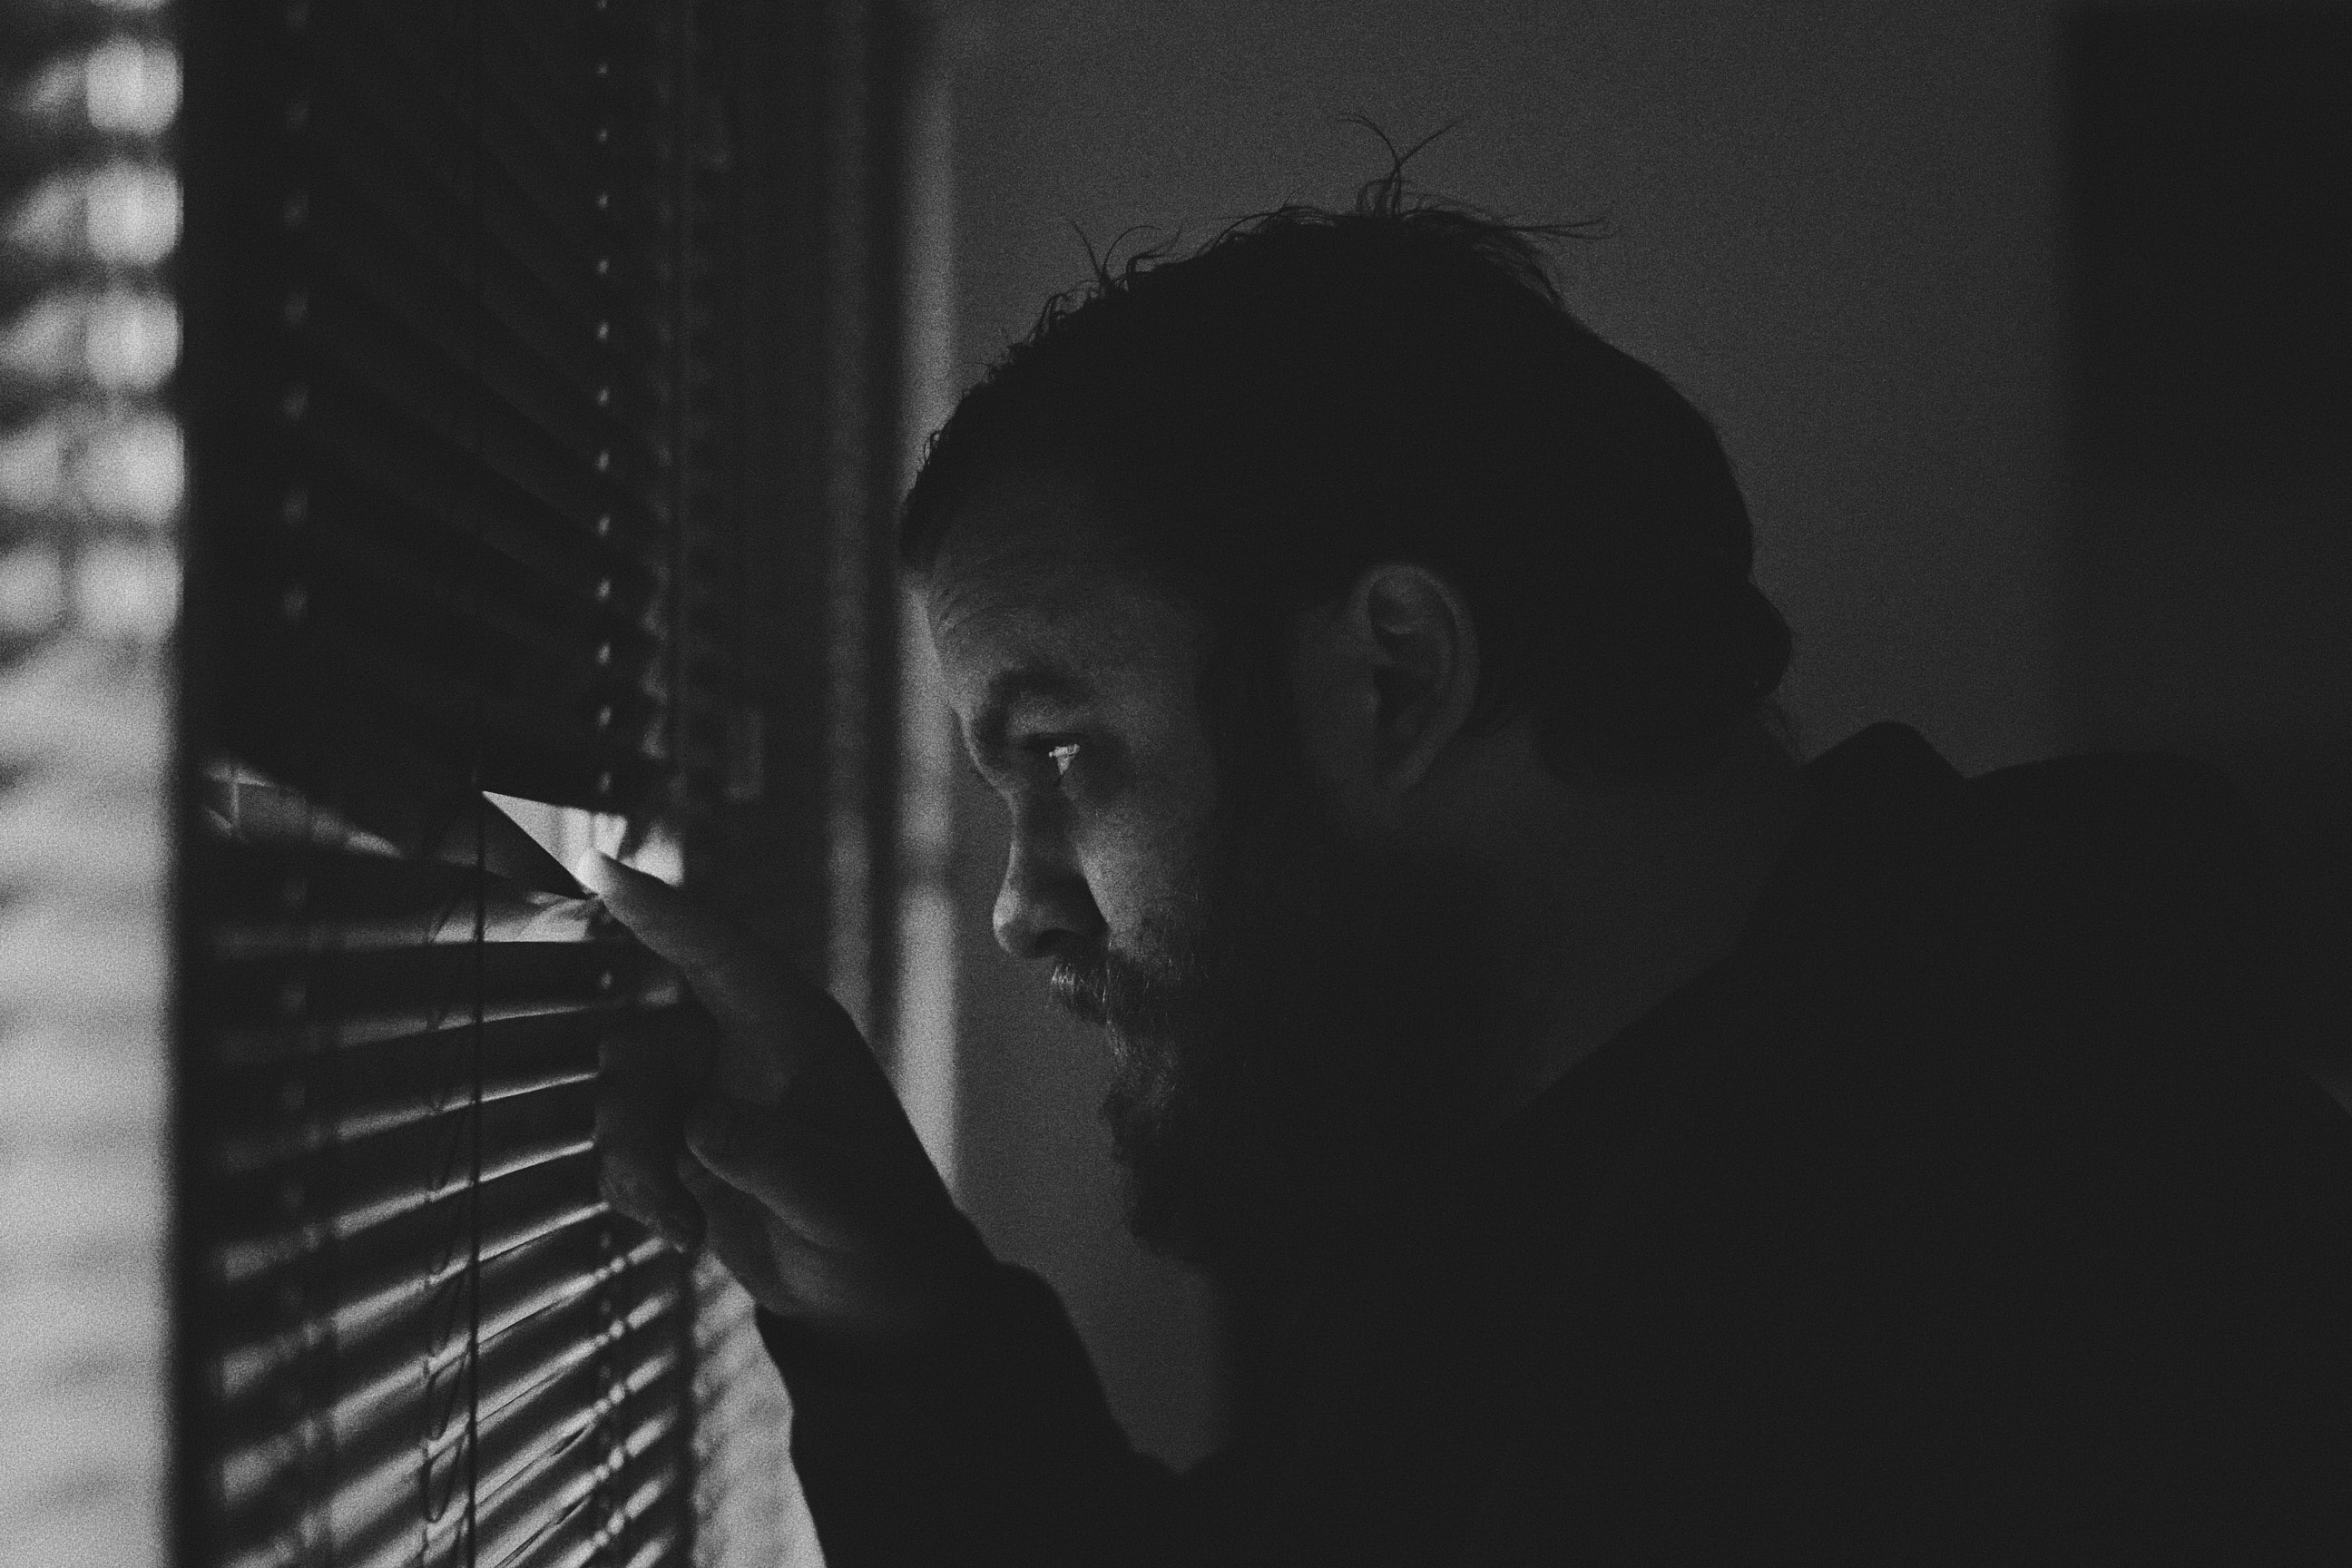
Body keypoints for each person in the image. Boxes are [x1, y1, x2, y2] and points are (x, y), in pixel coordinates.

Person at [588, 177, 2352, 1564]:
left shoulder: (2058, 1303)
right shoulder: (1605, 1183)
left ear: (1396, 676)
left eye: (1060, 752)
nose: (1020, 903)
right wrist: (884, 1294)